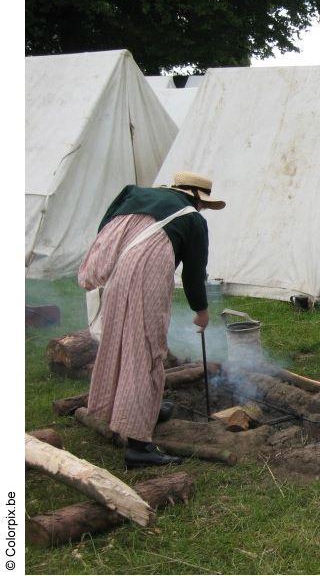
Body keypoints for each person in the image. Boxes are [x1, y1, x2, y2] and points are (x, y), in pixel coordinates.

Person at [78, 171, 225, 468]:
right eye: (203, 204)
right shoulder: (192, 219)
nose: (202, 209)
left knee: (121, 343)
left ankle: (141, 410)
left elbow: (104, 230)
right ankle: (139, 448)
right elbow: (193, 274)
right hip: (145, 279)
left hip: (118, 272)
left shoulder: (132, 194)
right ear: (196, 196)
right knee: (145, 351)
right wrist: (202, 310)